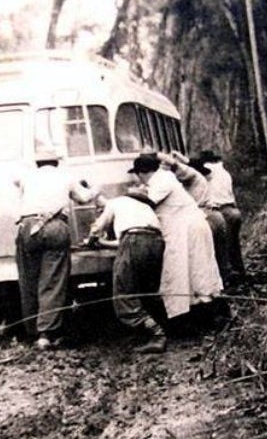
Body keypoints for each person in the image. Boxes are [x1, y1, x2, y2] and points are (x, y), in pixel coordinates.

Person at [14, 148, 98, 350]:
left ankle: (32, 330)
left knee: (29, 280)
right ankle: (47, 333)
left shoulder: (27, 177)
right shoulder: (65, 176)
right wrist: (97, 188)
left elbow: (17, 184)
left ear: (37, 163)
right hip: (54, 226)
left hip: (27, 227)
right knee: (52, 280)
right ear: (56, 162)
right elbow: (84, 198)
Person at [129, 153, 223, 320]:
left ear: (142, 172)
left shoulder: (162, 180)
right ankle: (197, 316)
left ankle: (210, 316)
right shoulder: (161, 179)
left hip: (188, 228)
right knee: (190, 274)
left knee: (197, 273)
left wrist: (128, 194)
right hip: (184, 228)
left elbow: (149, 201)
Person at [85, 188, 167, 353]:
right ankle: (150, 331)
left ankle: (157, 334)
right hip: (155, 242)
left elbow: (97, 229)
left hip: (134, 241)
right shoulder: (141, 206)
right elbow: (130, 237)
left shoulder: (114, 203)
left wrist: (92, 240)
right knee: (146, 289)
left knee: (123, 292)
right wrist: (104, 243)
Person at [157, 151, 233, 285]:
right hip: (215, 216)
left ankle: (212, 288)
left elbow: (177, 167)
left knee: (204, 257)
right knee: (220, 255)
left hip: (205, 218)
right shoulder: (203, 177)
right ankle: (225, 283)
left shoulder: (192, 177)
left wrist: (158, 155)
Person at [198, 150, 246, 283]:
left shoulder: (208, 171)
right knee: (234, 245)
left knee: (222, 247)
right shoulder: (225, 172)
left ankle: (227, 277)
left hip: (221, 211)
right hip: (232, 210)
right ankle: (240, 272)